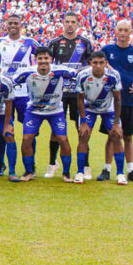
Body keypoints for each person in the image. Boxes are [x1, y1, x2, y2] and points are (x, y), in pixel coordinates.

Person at [14, 47, 77, 182]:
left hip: (56, 111)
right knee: (26, 139)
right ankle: (29, 172)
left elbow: (77, 73)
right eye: (40, 58)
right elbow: (11, 81)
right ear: (35, 60)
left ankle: (66, 173)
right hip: (34, 111)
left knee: (63, 139)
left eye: (46, 58)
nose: (43, 61)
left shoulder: (61, 71)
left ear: (51, 59)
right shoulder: (27, 72)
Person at [46, 11, 93, 179]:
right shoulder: (54, 43)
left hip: (78, 93)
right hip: (59, 92)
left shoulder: (85, 43)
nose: (70, 24)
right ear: (63, 23)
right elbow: (47, 66)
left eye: (73, 22)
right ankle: (52, 163)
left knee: (82, 129)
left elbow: (92, 65)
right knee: (55, 129)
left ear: (77, 24)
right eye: (67, 21)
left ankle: (85, 165)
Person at [0, 14, 39, 168]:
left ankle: (30, 164)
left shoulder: (30, 42)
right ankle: (0, 162)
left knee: (29, 129)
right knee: (4, 129)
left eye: (15, 23)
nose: (12, 25)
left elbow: (44, 57)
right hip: (5, 93)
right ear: (6, 24)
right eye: (10, 23)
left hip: (25, 93)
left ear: (21, 25)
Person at [100, 20, 133, 183]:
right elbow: (99, 67)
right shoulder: (107, 50)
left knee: (128, 136)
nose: (123, 33)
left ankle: (131, 170)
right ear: (115, 31)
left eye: (126, 30)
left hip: (131, 99)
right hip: (112, 101)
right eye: (120, 30)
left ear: (131, 32)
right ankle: (106, 169)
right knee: (112, 135)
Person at [75, 51, 127, 185]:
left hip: (108, 109)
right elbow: (80, 99)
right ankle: (80, 172)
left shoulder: (113, 75)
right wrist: (83, 121)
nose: (98, 66)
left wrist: (116, 124)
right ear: (90, 63)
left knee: (116, 136)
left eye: (101, 63)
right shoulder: (82, 75)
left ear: (106, 63)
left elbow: (117, 99)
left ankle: (120, 173)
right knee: (83, 136)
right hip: (89, 109)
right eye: (95, 63)